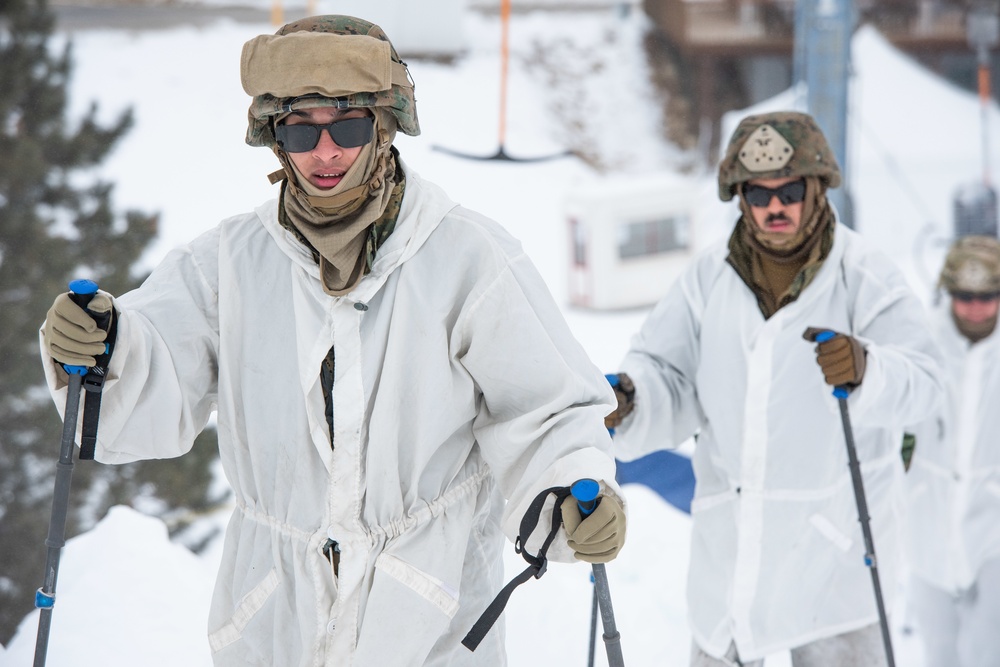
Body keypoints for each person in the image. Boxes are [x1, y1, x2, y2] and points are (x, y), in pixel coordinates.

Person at [39, 15, 626, 666]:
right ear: (274, 137)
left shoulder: (468, 259)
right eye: (300, 130)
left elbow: (547, 407)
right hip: (276, 619)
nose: (324, 153)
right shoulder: (228, 265)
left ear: (383, 129)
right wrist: (102, 344)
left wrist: (575, 489)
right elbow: (150, 369)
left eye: (346, 128)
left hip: (430, 620)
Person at [604, 111, 943, 666]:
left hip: (838, 557)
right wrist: (633, 401)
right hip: (733, 555)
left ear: (815, 188)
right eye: (758, 194)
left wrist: (868, 369)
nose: (774, 206)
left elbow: (926, 383)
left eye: (788, 190)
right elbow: (667, 374)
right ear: (739, 198)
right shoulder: (706, 277)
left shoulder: (867, 275)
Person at [903, 235, 1000, 667]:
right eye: (964, 296)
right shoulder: (920, 345)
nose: (975, 307)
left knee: (985, 651)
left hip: (994, 531)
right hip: (929, 525)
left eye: (987, 295)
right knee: (940, 654)